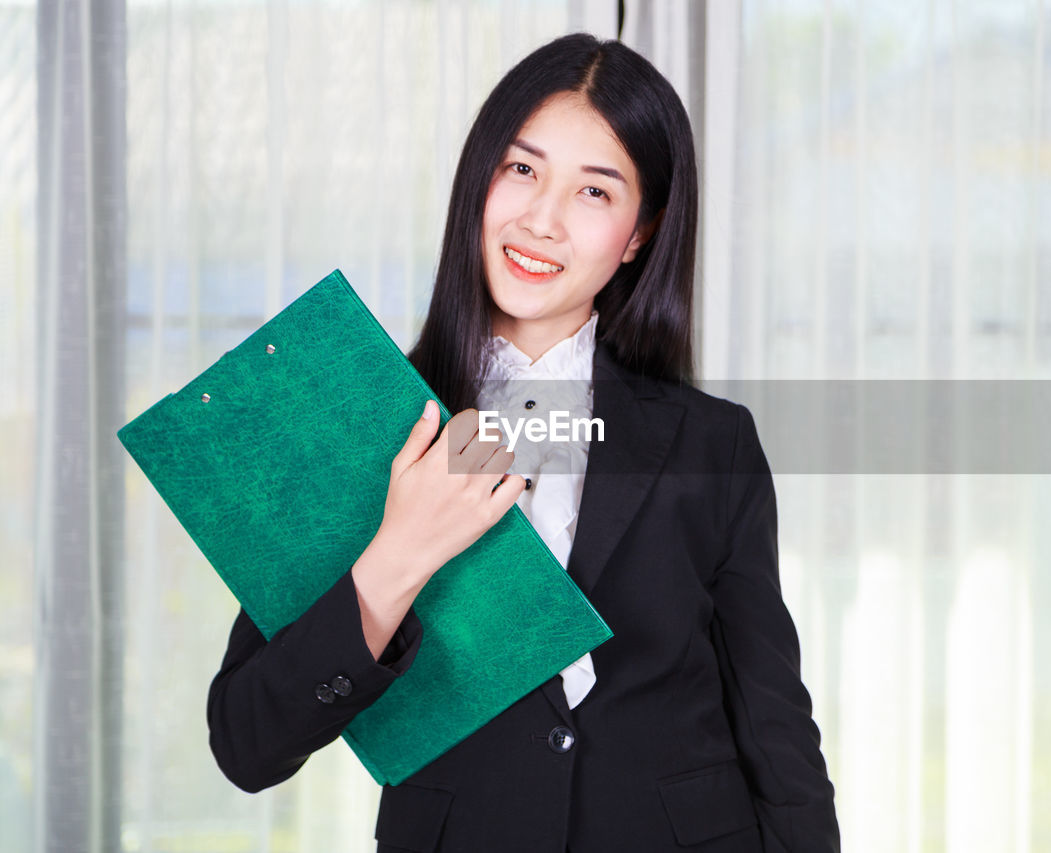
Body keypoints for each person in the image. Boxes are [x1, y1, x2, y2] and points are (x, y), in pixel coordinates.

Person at [207, 32, 839, 853]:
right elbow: (246, 743)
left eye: (595, 193)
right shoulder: (363, 422)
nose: (541, 220)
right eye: (523, 169)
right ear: (480, 179)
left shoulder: (710, 443)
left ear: (640, 233)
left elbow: (775, 725)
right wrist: (398, 554)